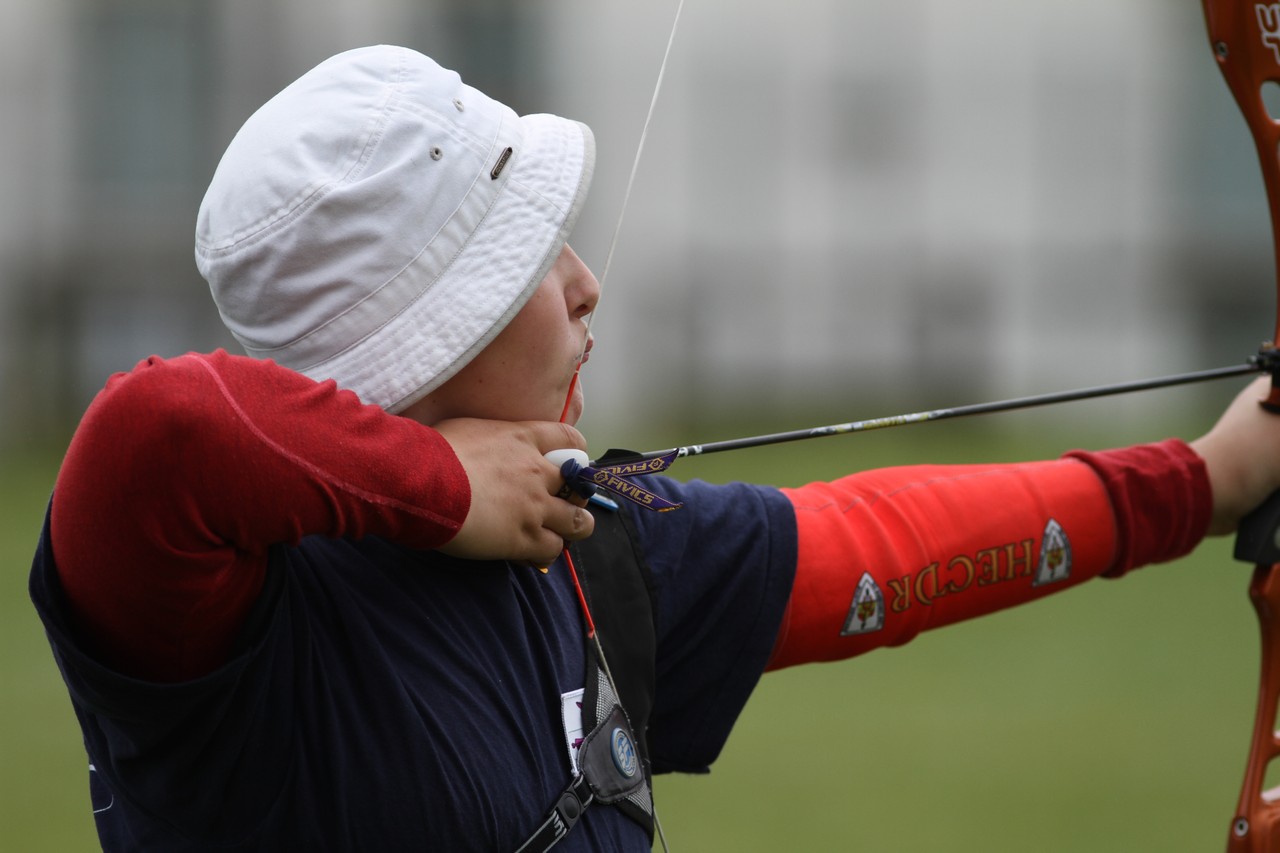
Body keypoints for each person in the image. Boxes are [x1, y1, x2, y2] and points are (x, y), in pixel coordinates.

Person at [27, 44, 1280, 851]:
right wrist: (443, 486)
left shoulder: (584, 543)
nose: (582, 284)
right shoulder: (222, 621)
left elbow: (879, 548)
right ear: (418, 342)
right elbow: (160, 430)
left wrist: (1210, 480)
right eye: (525, 261)